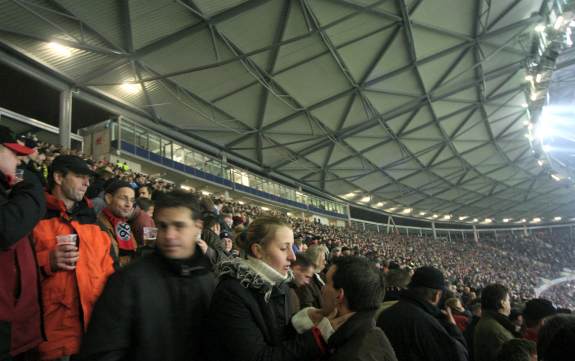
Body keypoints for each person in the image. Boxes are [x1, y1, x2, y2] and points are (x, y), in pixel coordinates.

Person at [79, 191, 217, 361]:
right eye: (163, 226)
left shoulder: (209, 282)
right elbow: (102, 352)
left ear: (198, 226)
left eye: (179, 226)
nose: (169, 235)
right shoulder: (127, 281)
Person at [205, 216, 348, 361]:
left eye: (292, 247)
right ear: (258, 251)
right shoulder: (231, 293)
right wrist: (317, 337)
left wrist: (305, 320)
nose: (292, 256)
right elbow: (259, 357)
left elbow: (279, 339)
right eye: (283, 248)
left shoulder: (280, 285)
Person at [32, 155, 115, 360]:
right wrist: (46, 262)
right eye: (80, 176)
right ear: (59, 177)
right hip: (52, 340)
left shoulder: (93, 224)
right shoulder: (32, 216)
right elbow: (9, 274)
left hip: (94, 337)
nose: (87, 183)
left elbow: (109, 274)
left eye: (88, 178)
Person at [0, 127, 46, 360]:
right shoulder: (22, 189)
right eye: (13, 153)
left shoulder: (9, 193)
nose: (20, 160)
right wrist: (30, 185)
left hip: (19, 331)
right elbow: (6, 228)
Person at [377, 266, 469, 361]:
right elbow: (459, 356)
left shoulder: (387, 313)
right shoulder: (427, 323)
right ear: (436, 295)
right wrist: (452, 327)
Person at [320, 256, 398, 361]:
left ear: (339, 296)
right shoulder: (373, 334)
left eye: (326, 283)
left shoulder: (349, 355)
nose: (322, 288)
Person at [97, 180, 138, 268]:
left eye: (131, 200)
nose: (129, 204)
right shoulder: (96, 225)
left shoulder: (124, 224)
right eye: (124, 198)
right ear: (109, 198)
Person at [474, 284, 516, 361]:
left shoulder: (487, 321)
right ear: (502, 303)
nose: (510, 304)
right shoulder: (497, 333)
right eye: (508, 300)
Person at [296, 245, 328, 309]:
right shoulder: (305, 281)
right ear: (315, 260)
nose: (325, 262)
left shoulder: (322, 275)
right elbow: (307, 307)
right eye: (323, 260)